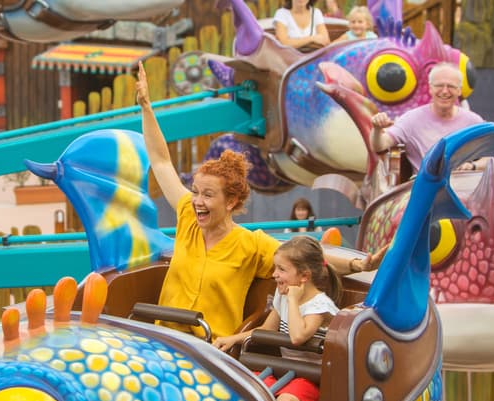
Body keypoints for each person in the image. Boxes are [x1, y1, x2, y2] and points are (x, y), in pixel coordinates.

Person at [135, 62, 375, 341]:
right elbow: (162, 162)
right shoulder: (188, 216)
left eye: (208, 195)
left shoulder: (251, 245)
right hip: (165, 339)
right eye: (196, 191)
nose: (197, 201)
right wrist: (146, 107)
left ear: (231, 201)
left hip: (211, 348)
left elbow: (309, 260)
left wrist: (359, 265)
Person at [213, 236, 340, 401]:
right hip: (288, 371)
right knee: (242, 387)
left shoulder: (319, 305)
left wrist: (292, 299)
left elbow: (298, 337)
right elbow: (266, 330)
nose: (274, 275)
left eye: (281, 269)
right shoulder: (282, 297)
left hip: (315, 378)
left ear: (304, 277)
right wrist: (231, 339)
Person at [370, 62, 484, 173]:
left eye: (451, 86)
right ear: (430, 88)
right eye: (439, 85)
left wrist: (473, 166)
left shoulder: (473, 121)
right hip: (427, 188)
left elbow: (493, 158)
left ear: (459, 90)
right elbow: (380, 145)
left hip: (462, 187)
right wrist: (377, 129)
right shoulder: (411, 119)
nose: (444, 91)